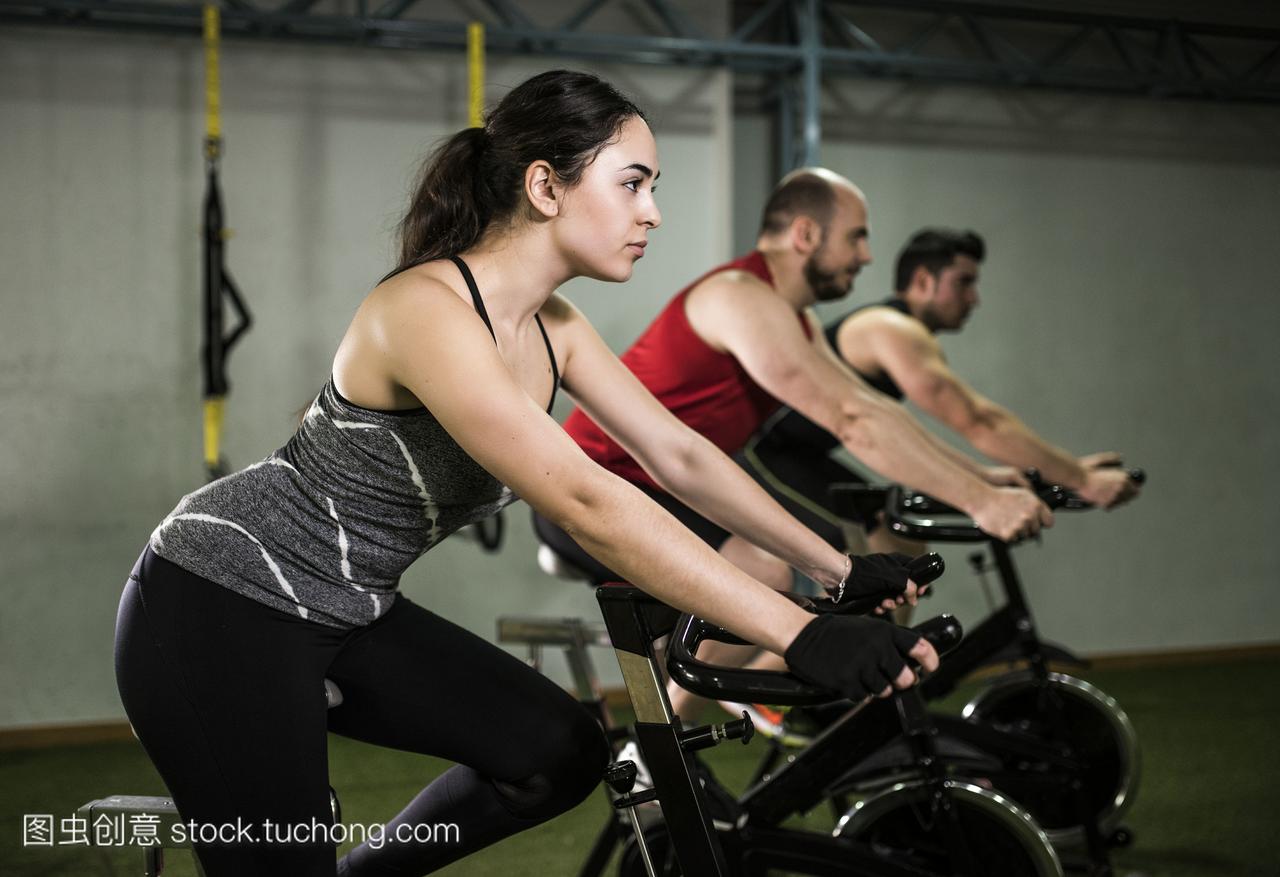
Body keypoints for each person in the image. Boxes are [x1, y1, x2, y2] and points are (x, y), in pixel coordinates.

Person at [113, 71, 939, 877]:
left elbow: (678, 455)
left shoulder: (556, 327)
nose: (653, 212)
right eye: (633, 184)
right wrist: (798, 632)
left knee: (556, 753)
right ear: (546, 186)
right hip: (216, 600)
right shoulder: (423, 309)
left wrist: (836, 571)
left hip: (349, 605)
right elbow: (585, 498)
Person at [533, 168, 1051, 720]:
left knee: (791, 569)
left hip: (675, 489)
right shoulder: (737, 296)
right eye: (857, 236)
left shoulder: (794, 319)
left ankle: (740, 707)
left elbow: (872, 408)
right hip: (601, 490)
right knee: (767, 571)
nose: (869, 256)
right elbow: (852, 420)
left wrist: (979, 481)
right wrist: (982, 503)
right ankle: (657, 746)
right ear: (805, 235)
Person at [743, 227, 1140, 569]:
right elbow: (979, 421)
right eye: (963, 282)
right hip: (760, 456)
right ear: (923, 281)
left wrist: (984, 473)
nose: (974, 298)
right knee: (875, 559)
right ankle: (849, 654)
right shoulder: (891, 328)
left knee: (900, 546)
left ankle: (877, 655)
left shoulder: (898, 332)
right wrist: (1081, 479)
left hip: (797, 458)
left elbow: (903, 431)